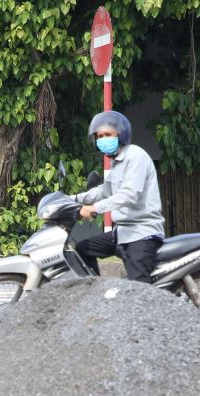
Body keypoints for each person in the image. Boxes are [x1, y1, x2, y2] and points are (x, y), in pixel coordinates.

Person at [73, 111, 165, 283]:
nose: (102, 139)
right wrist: (73, 199)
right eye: (99, 136)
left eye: (107, 134)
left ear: (120, 134)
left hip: (142, 233)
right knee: (83, 249)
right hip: (122, 232)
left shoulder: (135, 156)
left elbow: (128, 196)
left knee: (138, 290)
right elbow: (104, 190)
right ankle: (93, 294)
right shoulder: (117, 162)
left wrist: (94, 209)